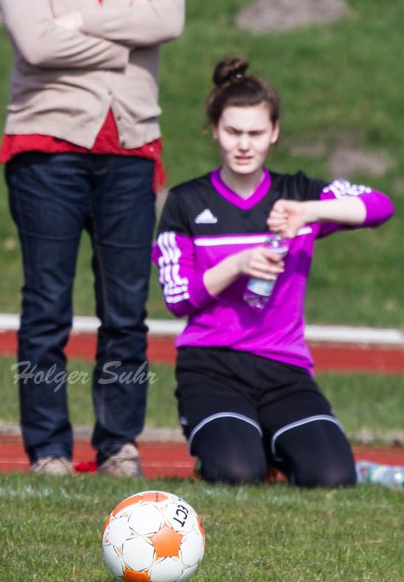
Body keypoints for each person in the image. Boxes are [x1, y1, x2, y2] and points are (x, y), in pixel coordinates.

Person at [0, 0, 185, 477]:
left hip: (132, 145)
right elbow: (36, 45)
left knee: (126, 308)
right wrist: (124, 34)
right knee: (47, 306)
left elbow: (170, 18)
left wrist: (78, 22)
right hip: (46, 146)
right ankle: (48, 447)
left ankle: (118, 444)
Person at [153, 58, 392, 488]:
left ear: (274, 133)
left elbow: (380, 207)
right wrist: (237, 264)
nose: (244, 145)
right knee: (236, 473)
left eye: (255, 133)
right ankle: (234, 443)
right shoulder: (187, 202)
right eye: (233, 132)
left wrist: (310, 212)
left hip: (284, 368)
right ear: (215, 131)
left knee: (332, 478)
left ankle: (272, 442)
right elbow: (178, 298)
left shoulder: (297, 193)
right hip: (212, 366)